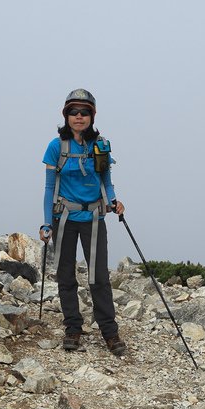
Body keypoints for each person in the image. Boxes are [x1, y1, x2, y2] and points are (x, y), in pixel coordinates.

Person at [39, 89, 127, 356]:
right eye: (74, 112)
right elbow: (48, 188)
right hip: (63, 218)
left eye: (84, 112)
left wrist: (113, 201)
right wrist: (46, 224)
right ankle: (73, 328)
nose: (79, 117)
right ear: (66, 115)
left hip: (94, 218)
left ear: (92, 116)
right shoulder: (56, 147)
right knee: (65, 275)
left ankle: (110, 333)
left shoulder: (100, 145)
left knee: (99, 277)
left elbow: (106, 182)